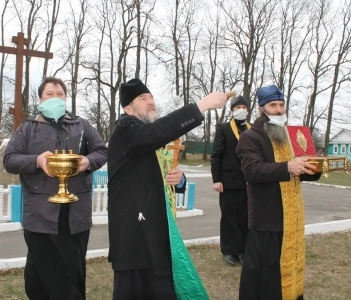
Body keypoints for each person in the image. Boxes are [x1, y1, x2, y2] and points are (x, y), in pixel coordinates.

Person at [107, 78, 229, 300]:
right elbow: (159, 131)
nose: (151, 101)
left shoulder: (147, 138)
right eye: (143, 98)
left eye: (151, 97)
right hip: (134, 240)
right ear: (127, 108)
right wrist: (202, 105)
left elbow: (161, 179)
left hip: (155, 237)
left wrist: (179, 180)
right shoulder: (126, 129)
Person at [3, 76, 107, 300]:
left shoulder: (82, 125)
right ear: (40, 99)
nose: (55, 98)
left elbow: (101, 151)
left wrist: (87, 162)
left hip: (75, 214)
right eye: (50, 94)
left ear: (66, 98)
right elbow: (9, 160)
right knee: (40, 274)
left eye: (60, 94)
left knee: (72, 270)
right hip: (39, 214)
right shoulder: (27, 129)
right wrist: (37, 161)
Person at [236, 85, 321, 300]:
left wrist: (316, 167)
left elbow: (302, 170)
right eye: (273, 105)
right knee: (265, 277)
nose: (279, 109)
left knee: (290, 270)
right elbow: (251, 170)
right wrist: (286, 167)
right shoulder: (250, 137)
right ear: (261, 108)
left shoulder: (290, 136)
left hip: (292, 219)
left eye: (282, 104)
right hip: (267, 217)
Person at [210, 95, 250, 267]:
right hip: (228, 182)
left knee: (245, 218)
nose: (240, 110)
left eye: (243, 107)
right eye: (236, 107)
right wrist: (216, 179)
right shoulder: (224, 128)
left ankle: (242, 251)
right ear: (232, 110)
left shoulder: (252, 129)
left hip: (248, 183)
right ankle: (228, 251)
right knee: (229, 218)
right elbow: (216, 155)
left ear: (247, 110)